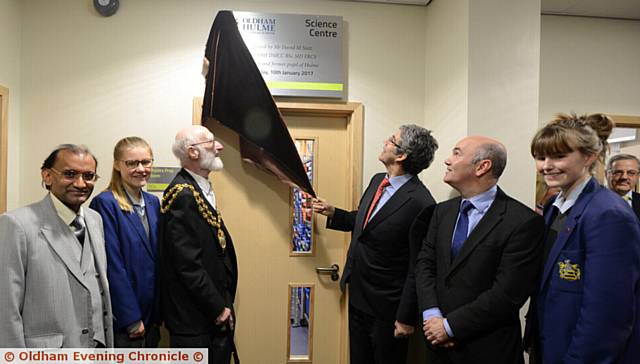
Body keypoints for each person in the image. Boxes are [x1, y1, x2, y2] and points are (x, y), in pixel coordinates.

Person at [313, 124, 438, 364]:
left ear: (401, 155)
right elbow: (366, 224)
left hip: (388, 307)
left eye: (392, 140)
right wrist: (333, 213)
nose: (385, 141)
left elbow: (418, 266)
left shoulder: (421, 203)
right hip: (358, 293)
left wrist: (406, 317)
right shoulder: (378, 180)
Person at [414, 136, 544, 364]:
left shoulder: (522, 222)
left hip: (487, 348)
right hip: (437, 345)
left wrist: (450, 326)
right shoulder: (441, 212)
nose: (447, 160)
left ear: (482, 166)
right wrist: (432, 314)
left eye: (456, 153)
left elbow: (507, 294)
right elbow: (425, 264)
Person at [525, 113, 640, 363]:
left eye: (558, 156)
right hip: (550, 342)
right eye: (541, 157)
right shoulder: (556, 205)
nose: (546, 165)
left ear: (588, 157)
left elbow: (608, 312)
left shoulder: (608, 213)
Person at [0, 144, 113, 347]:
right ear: (47, 176)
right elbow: (6, 308)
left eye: (89, 176)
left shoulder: (95, 220)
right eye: (70, 174)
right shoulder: (17, 224)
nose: (80, 183)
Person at [160, 125, 238, 363]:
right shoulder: (182, 194)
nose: (219, 147)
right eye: (211, 142)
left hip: (210, 311)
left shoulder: (198, 187)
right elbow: (187, 265)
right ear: (193, 152)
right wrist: (217, 307)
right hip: (195, 318)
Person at [90, 137, 161, 348]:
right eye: (132, 163)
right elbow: (112, 265)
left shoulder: (153, 203)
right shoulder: (105, 203)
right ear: (117, 164)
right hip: (126, 320)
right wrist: (130, 317)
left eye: (146, 162)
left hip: (152, 316)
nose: (141, 169)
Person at [606, 153, 640, 219]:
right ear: (606, 174)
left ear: (638, 176)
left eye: (631, 173)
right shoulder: (590, 202)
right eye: (618, 172)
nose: (624, 177)